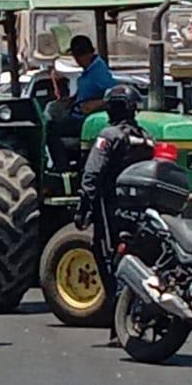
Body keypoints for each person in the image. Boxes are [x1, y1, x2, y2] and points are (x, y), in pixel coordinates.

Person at [74, 85, 153, 343]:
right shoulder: (146, 138)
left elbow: (93, 173)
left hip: (112, 210)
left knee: (114, 264)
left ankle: (120, 327)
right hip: (142, 212)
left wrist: (83, 208)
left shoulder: (109, 135)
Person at [48, 35, 116, 168]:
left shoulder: (98, 71)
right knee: (53, 116)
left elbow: (114, 94)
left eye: (76, 56)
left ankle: (62, 168)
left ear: (82, 55)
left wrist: (95, 104)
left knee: (51, 129)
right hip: (76, 112)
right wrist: (71, 100)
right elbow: (84, 93)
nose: (76, 60)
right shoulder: (88, 71)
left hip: (86, 119)